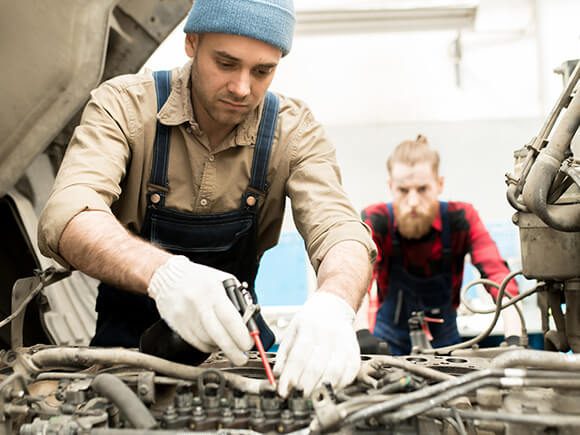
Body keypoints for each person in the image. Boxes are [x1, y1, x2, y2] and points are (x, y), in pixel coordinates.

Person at [37, 0, 376, 398]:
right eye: (226, 63)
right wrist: (165, 275)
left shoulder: (294, 130)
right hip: (126, 352)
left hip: (237, 343)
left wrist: (334, 302)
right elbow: (67, 213)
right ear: (191, 43)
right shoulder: (125, 107)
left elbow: (340, 228)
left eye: (263, 70)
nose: (242, 88)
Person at [361, 135, 521, 355]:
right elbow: (359, 278)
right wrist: (360, 333)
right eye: (403, 191)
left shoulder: (461, 219)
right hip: (387, 345)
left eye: (423, 189)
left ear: (439, 185)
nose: (413, 201)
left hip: (446, 345)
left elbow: (498, 276)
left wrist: (514, 338)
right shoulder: (377, 220)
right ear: (390, 186)